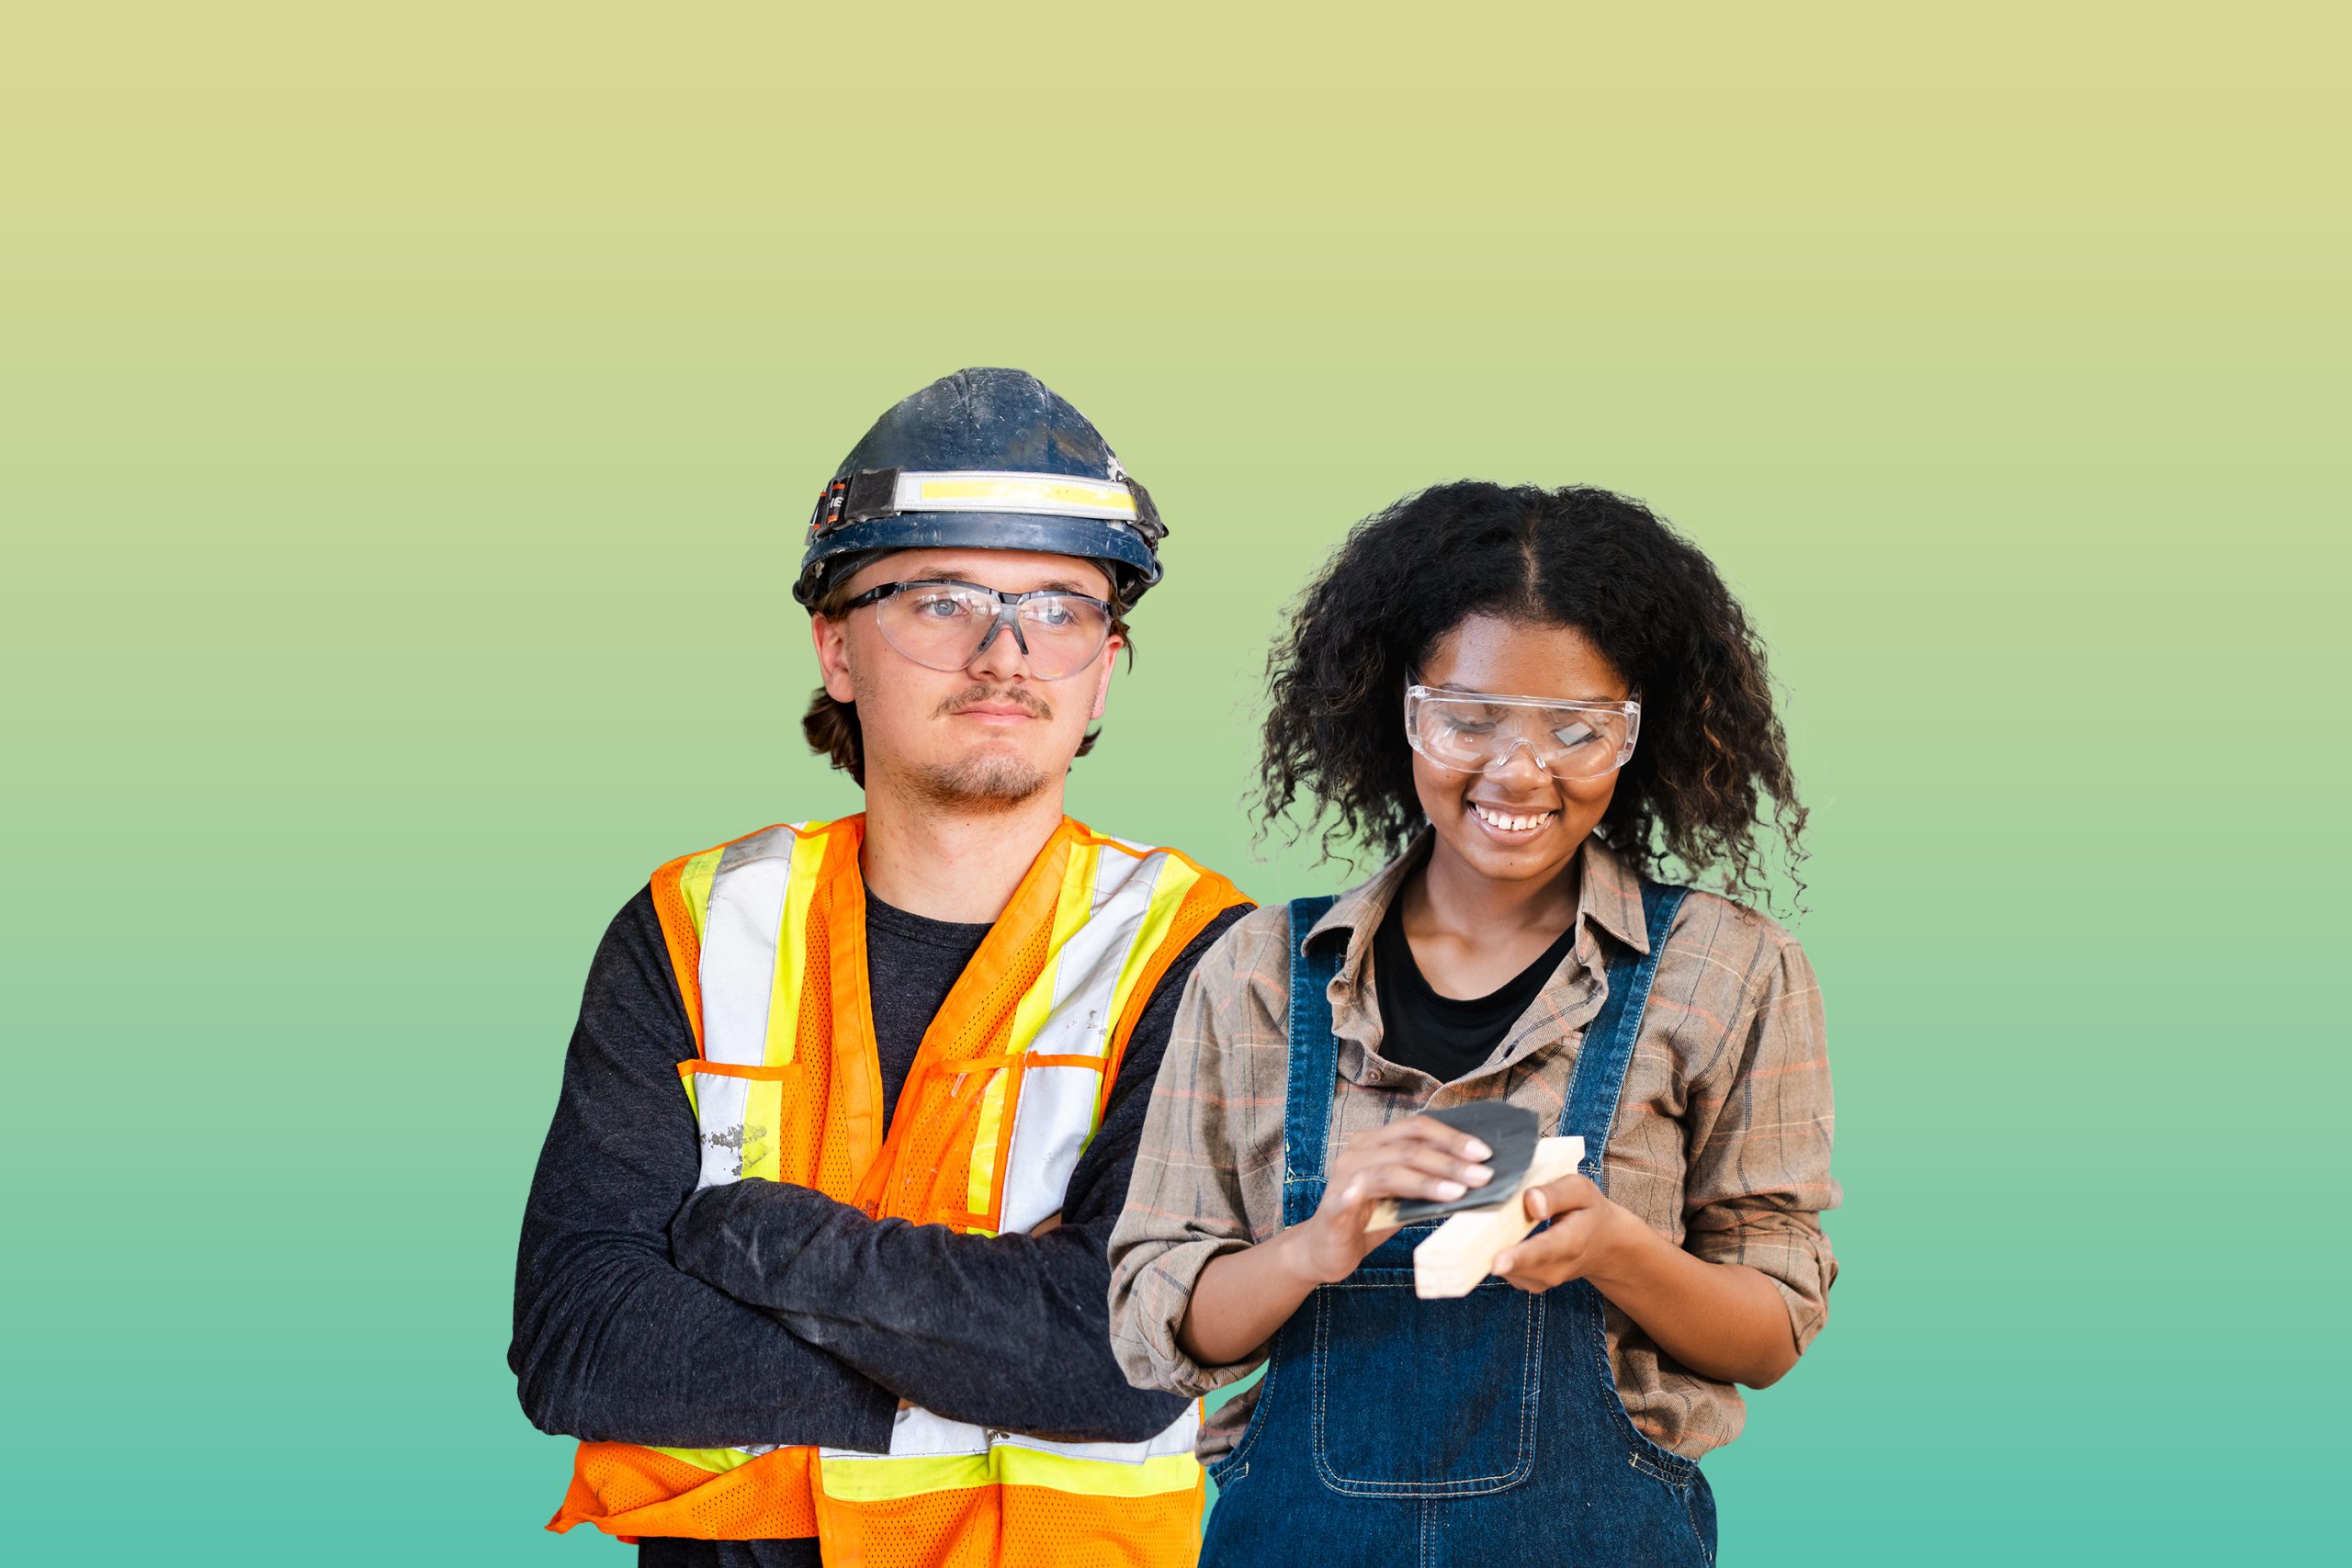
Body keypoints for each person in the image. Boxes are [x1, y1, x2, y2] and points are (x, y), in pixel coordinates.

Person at [512, 367, 1250, 1567]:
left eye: (1060, 605)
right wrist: (991, 1350)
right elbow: (580, 1341)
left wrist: (748, 1230)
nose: (1006, 651)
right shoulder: (692, 927)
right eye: (941, 597)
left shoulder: (1207, 952)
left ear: (1105, 667)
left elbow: (1123, 1355)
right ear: (837, 647)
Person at [1107, 482, 1838, 1565]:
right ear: (1395, 709)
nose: (1517, 771)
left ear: (1639, 732)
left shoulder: (1727, 972)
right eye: (1467, 719)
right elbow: (1152, 1329)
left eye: (1576, 730)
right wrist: (1317, 1246)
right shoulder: (1260, 973)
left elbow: (1771, 1330)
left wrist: (1619, 1251)